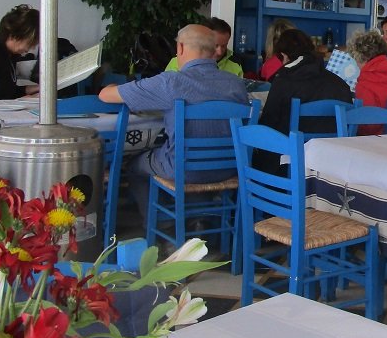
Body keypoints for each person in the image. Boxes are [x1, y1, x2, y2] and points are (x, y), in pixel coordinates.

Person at [99, 24, 249, 222]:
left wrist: (110, 84)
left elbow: (105, 95)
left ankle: (162, 224)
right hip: (229, 169)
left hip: (184, 170)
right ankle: (201, 220)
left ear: (180, 47)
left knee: (134, 165)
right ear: (214, 50)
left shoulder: (171, 82)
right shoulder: (237, 84)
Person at [255, 29, 353, 172]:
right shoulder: (340, 84)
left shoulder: (284, 81)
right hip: (333, 165)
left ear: (284, 56)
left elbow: (268, 124)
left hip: (289, 164)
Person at [164, 17, 243, 77]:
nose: (220, 51)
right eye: (215, 45)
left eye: (224, 45)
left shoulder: (235, 64)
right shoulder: (176, 62)